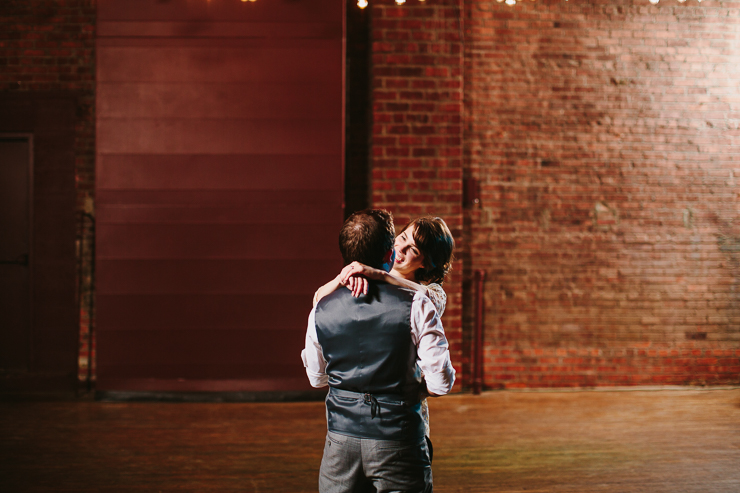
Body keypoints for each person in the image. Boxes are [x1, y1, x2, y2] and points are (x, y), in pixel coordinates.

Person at [302, 209, 456, 493]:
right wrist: (344, 277)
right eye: (402, 239)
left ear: (427, 262)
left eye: (414, 250)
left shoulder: (429, 295)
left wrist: (376, 274)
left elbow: (418, 296)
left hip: (402, 413)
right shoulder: (363, 280)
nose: (402, 250)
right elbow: (319, 300)